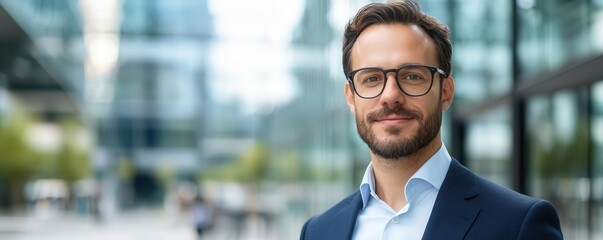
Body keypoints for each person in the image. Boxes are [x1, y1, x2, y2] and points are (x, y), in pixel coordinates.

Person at [299, 1, 563, 239]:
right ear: (350, 97)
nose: (391, 96)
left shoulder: (518, 225)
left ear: (445, 92)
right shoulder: (318, 231)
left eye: (412, 76)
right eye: (371, 78)